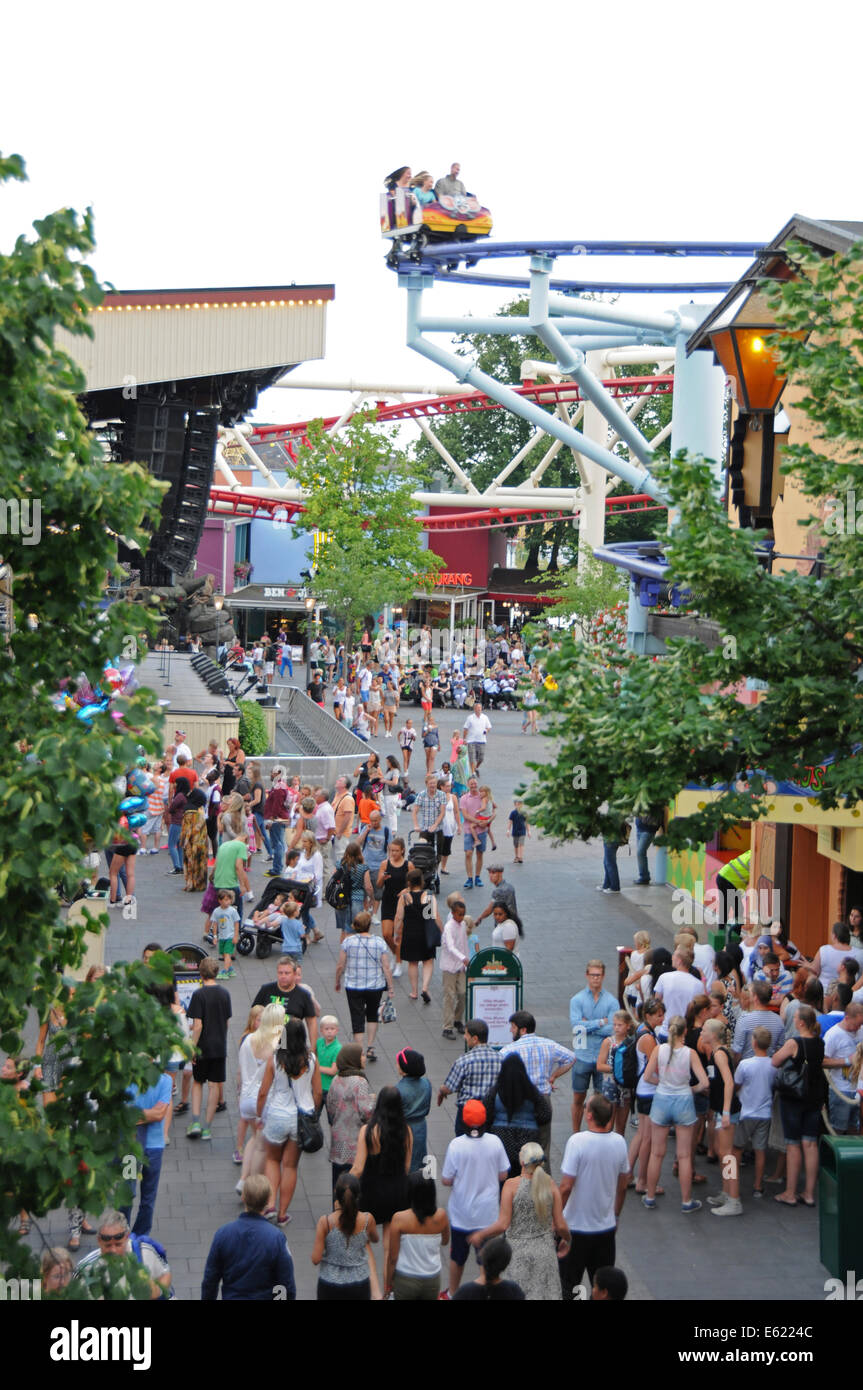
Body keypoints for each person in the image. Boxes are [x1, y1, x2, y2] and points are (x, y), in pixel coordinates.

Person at [470, 1141, 569, 1300]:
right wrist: (568, 1240)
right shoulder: (550, 1184)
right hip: (544, 1252)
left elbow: (503, 1224)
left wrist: (481, 1234)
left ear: (522, 1161)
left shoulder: (511, 1185)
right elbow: (561, 1225)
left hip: (517, 1252)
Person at [557, 1093, 630, 1300]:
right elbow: (623, 1185)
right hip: (605, 1229)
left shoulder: (577, 1142)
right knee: (604, 1288)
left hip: (575, 1230)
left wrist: (556, 1219)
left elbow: (566, 1186)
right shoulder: (619, 1142)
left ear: (589, 1115)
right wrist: (615, 1215)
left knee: (568, 1285)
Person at [441, 1100, 510, 1298]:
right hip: (487, 1215)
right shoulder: (495, 1142)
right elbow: (503, 1174)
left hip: (461, 1214)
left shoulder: (456, 1145)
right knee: (487, 1260)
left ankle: (453, 1292)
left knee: (457, 1257)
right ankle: (487, 1293)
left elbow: (446, 1180)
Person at [641, 1015, 709, 1213]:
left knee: (656, 1152)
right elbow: (704, 1082)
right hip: (683, 1101)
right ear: (685, 1032)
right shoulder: (690, 1053)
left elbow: (647, 1076)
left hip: (662, 1100)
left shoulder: (658, 1049)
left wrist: (661, 1083)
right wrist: (691, 1089)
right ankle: (687, 1201)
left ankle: (650, 1196)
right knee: (685, 1155)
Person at [257, 1017, 322, 1224]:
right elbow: (318, 1092)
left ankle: (270, 1206)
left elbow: (263, 1092)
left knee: (272, 1160)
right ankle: (283, 1213)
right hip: (301, 1117)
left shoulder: (275, 1060)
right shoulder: (311, 1060)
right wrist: (315, 1113)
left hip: (277, 1114)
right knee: (291, 1166)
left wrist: (260, 1115)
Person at [202, 1174, 296, 1300]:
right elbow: (286, 1283)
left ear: (243, 1197)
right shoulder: (277, 1238)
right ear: (268, 1200)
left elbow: (210, 1279)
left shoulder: (223, 1234)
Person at [351, 1086, 412, 1258]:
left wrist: (343, 1185)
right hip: (397, 1190)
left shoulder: (368, 1131)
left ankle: (373, 1282)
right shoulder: (406, 1131)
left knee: (364, 1239)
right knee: (390, 1241)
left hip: (371, 1190)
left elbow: (358, 1168)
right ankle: (387, 1282)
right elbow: (407, 1166)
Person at [119, 1061, 172, 1238]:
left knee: (130, 1191)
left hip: (133, 1144)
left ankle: (124, 1232)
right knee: (142, 1195)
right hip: (150, 1145)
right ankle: (139, 1235)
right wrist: (150, 1114)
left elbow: (159, 1114)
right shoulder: (165, 1080)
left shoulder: (129, 1080)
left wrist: (134, 1115)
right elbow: (156, 1114)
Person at [334, 911, 395, 1062]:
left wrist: (337, 981)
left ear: (355, 926)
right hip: (375, 985)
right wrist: (391, 986)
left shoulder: (347, 942)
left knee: (357, 1016)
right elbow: (386, 967)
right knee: (373, 1015)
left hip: (354, 985)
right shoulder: (379, 942)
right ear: (369, 926)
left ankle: (358, 1049)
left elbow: (340, 965)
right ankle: (370, 1047)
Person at [74, 1209, 172, 1301]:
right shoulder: (86, 1267)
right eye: (107, 1246)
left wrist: (157, 1291)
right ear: (99, 1241)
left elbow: (165, 1273)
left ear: (127, 1237)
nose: (113, 1250)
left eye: (118, 1244)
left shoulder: (144, 1251)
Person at [312, 1172, 380, 1301]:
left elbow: (316, 1259)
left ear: (335, 1193)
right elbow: (375, 1239)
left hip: (330, 1283)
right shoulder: (367, 1219)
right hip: (359, 1283)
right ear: (358, 1195)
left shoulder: (325, 1222)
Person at [186, 957, 232, 1140]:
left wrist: (192, 1047)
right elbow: (227, 1022)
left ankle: (195, 1121)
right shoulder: (225, 994)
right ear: (217, 972)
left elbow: (197, 1026)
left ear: (200, 973)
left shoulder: (199, 995)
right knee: (214, 1085)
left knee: (198, 1083)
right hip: (219, 1046)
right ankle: (207, 1127)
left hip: (203, 1047)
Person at [484, 1053, 550, 1177]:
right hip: (528, 1137)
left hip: (501, 1137)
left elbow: (486, 1112)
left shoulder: (496, 1090)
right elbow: (545, 1114)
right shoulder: (531, 1090)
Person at [386, 1172, 450, 1300]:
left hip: (405, 1278)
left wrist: (388, 1283)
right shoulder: (441, 1216)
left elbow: (393, 1258)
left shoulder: (399, 1219)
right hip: (432, 1279)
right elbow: (445, 1241)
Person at [437, 1018, 502, 1135]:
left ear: (475, 1038)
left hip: (467, 1112)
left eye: (466, 1034)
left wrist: (442, 1092)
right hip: (490, 1110)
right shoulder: (501, 1059)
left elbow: (449, 1087)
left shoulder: (464, 1060)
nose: (464, 1037)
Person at [326, 1045, 375, 1199]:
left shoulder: (336, 1079)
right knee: (356, 1185)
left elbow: (330, 1108)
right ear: (352, 1059)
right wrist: (373, 1099)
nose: (364, 1058)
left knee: (338, 1183)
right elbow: (366, 1112)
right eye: (361, 1055)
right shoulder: (359, 1081)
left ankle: (338, 1214)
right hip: (355, 1143)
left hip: (338, 1141)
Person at [252, 956, 318, 1049]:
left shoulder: (303, 995)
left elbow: (312, 1023)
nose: (283, 976)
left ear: (295, 974)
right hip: (267, 1045)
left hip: (293, 1047)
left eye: (287, 973)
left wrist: (313, 1049)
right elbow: (254, 1015)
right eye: (280, 973)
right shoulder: (266, 990)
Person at [822, 1000, 863, 1134]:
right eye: (856, 1024)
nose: (858, 1028)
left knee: (855, 1129)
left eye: (860, 1024)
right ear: (847, 1018)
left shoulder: (861, 1031)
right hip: (840, 1089)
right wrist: (846, 1061)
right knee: (838, 1129)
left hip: (858, 1089)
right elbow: (822, 1061)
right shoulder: (833, 1035)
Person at [378, 834, 411, 978]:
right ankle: (396, 952)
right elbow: (378, 885)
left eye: (396, 851)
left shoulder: (408, 865)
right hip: (388, 900)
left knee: (399, 935)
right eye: (391, 851)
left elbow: (415, 884)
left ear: (402, 851)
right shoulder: (385, 864)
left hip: (402, 903)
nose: (393, 853)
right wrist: (382, 878)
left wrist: (407, 889)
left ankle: (398, 963)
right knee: (386, 934)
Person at [396, 1048, 432, 1172]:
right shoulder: (426, 1083)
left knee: (405, 1159)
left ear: (404, 1070)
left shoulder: (399, 1090)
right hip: (421, 1126)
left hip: (403, 1127)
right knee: (419, 1157)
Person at [732, 980, 786, 1060]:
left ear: (755, 998)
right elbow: (780, 1049)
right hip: (771, 1067)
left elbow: (737, 1051)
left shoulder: (744, 1019)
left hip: (747, 1067)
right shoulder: (778, 1020)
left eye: (751, 993)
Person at [440, 899, 469, 1039]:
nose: (461, 917)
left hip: (460, 966)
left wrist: (466, 961)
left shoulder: (463, 925)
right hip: (449, 966)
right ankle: (447, 1026)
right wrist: (463, 957)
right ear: (452, 913)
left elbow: (464, 944)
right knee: (449, 996)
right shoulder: (448, 927)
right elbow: (451, 947)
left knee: (463, 994)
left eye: (463, 914)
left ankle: (458, 1019)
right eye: (459, 914)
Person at [463, 701, 492, 776]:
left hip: (482, 740)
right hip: (471, 740)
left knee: (481, 758)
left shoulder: (485, 717)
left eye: (480, 708)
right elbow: (465, 728)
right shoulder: (470, 718)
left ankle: (476, 767)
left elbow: (489, 727)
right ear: (474, 709)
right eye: (477, 708)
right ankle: (472, 773)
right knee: (472, 757)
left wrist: (486, 731)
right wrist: (464, 739)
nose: (479, 709)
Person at [508, 799, 530, 864]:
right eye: (517, 804)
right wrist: (508, 830)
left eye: (520, 804)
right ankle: (516, 857)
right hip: (515, 831)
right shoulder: (513, 813)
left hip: (522, 831)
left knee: (521, 844)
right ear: (515, 805)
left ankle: (520, 857)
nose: (519, 806)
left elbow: (527, 822)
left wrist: (529, 831)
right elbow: (510, 822)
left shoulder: (524, 813)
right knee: (516, 845)